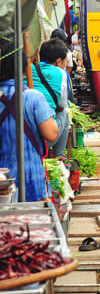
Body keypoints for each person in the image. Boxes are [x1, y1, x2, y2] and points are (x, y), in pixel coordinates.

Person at [0, 38, 59, 202]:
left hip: (2, 181)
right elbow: (52, 134)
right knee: (28, 224)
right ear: (24, 68)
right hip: (30, 179)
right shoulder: (33, 97)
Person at [30, 38, 71, 157]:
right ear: (59, 61)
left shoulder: (29, 70)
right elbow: (62, 105)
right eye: (65, 61)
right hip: (44, 139)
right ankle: (59, 157)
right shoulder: (61, 73)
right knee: (64, 114)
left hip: (22, 136)